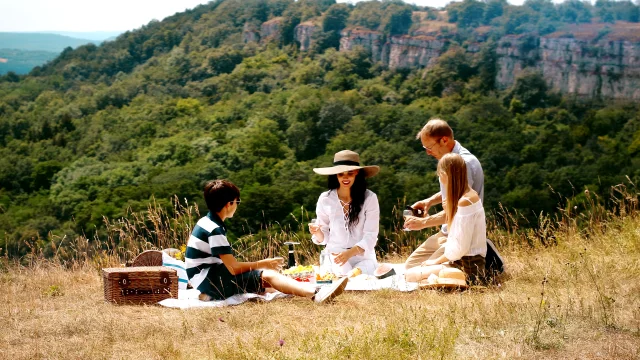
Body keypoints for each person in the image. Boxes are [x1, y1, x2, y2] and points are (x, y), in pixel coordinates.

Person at [185, 179, 348, 303]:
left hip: (203, 278)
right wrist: (263, 263)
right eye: (237, 202)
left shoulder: (207, 222)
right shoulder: (214, 229)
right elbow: (233, 268)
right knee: (268, 275)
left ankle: (313, 290)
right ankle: (316, 294)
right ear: (229, 204)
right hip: (208, 278)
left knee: (265, 280)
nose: (237, 205)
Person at [403, 119, 485, 269]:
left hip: (458, 234)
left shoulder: (463, 163)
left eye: (429, 147)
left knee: (419, 271)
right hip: (446, 232)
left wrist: (423, 223)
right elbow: (454, 189)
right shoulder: (450, 159)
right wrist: (429, 201)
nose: (428, 153)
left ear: (444, 140)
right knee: (410, 266)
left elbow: (459, 210)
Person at [405, 153, 487, 284]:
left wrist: (435, 261)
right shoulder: (467, 196)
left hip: (468, 267)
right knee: (413, 272)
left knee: (410, 276)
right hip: (462, 262)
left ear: (445, 175)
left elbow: (460, 246)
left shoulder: (465, 202)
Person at [309, 150, 380, 276]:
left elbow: (371, 235)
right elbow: (324, 238)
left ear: (357, 173)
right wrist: (317, 232)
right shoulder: (325, 199)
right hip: (336, 255)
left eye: (350, 173)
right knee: (344, 275)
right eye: (341, 174)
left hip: (363, 256)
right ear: (336, 175)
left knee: (359, 274)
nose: (345, 178)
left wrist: (350, 253)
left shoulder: (370, 198)